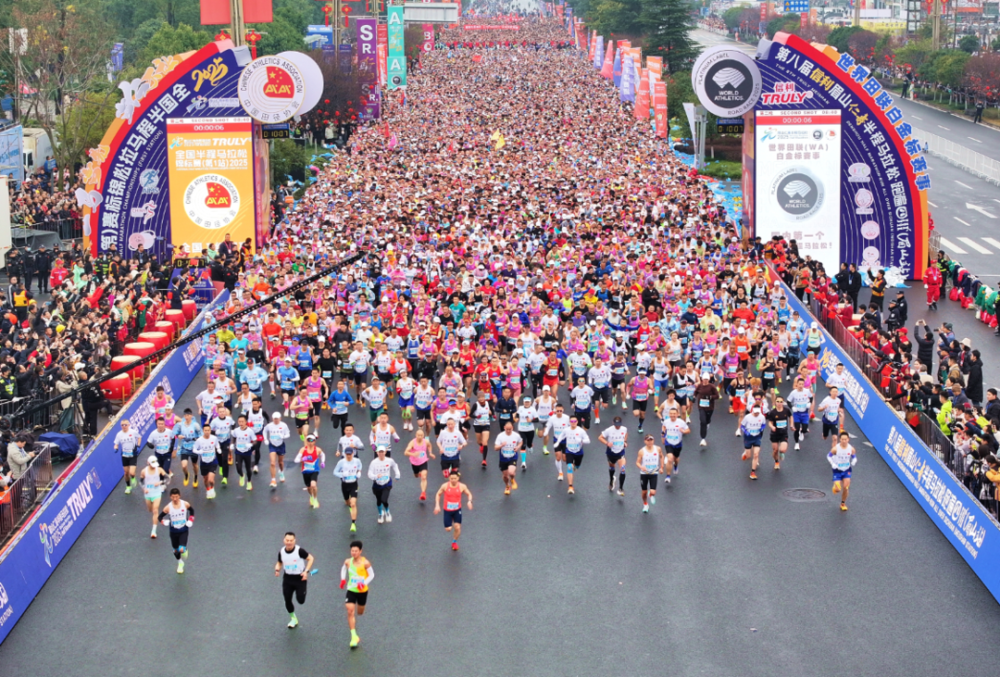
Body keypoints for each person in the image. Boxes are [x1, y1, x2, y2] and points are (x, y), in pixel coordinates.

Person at [275, 532, 314, 629]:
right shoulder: (282, 551)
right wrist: (277, 569)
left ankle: (301, 593)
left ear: (294, 541)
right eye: (287, 540)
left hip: (300, 578)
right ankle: (293, 619)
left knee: (301, 600)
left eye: (291, 540)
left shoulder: (299, 551)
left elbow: (311, 558)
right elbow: (279, 562)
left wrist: (306, 571)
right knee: (287, 599)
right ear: (284, 540)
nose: (289, 542)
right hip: (288, 578)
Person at [339, 540, 374, 648]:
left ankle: (360, 608)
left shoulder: (365, 563)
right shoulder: (348, 561)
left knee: (360, 612)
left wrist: (363, 583)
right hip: (351, 590)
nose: (353, 553)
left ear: (360, 551)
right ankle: (354, 636)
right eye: (352, 551)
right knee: (350, 610)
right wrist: (343, 580)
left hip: (362, 591)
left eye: (356, 551)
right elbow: (343, 569)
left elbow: (372, 575)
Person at [433, 471, 473, 551]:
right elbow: (438, 494)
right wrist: (437, 505)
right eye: (451, 478)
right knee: (448, 529)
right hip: (447, 510)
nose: (453, 480)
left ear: (458, 478)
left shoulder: (462, 486)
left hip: (457, 510)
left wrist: (469, 501)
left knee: (457, 527)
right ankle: (451, 529)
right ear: (449, 478)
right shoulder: (445, 486)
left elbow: (469, 494)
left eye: (455, 478)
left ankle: (454, 542)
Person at [158, 488, 194, 574]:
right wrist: (163, 522)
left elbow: (192, 511)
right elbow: (159, 517)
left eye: (176, 497)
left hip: (183, 529)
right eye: (173, 497)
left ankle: (184, 550)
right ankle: (180, 563)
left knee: (181, 549)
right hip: (173, 531)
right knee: (175, 550)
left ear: (179, 496)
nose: (175, 499)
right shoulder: (168, 507)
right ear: (170, 497)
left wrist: (190, 520)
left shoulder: (185, 504)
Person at [557, 416, 590, 495]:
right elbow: (561, 436)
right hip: (569, 451)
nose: (573, 422)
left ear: (577, 422)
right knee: (569, 467)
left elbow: (588, 440)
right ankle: (570, 487)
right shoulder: (566, 430)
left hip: (579, 452)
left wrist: (582, 441)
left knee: (576, 467)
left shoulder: (581, 431)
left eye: (575, 421)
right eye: (571, 421)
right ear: (569, 422)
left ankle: (576, 465)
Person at [368, 445, 400, 524]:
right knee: (379, 500)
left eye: (382, 452)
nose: (381, 453)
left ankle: (387, 512)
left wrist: (397, 475)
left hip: (387, 484)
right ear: (377, 452)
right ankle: (380, 514)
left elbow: (395, 466)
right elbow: (369, 473)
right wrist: (375, 476)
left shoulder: (389, 460)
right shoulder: (374, 462)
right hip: (377, 485)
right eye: (380, 452)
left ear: (385, 452)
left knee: (384, 499)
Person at [334, 446, 363, 532]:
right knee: (347, 502)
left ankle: (353, 523)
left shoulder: (357, 461)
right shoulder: (341, 462)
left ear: (353, 454)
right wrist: (342, 474)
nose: (349, 456)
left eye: (350, 454)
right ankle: (348, 503)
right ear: (345, 454)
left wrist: (359, 472)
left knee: (353, 503)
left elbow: (360, 466)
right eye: (347, 454)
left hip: (354, 484)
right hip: (345, 484)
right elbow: (335, 472)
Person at [294, 434, 326, 509]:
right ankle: (311, 496)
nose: (310, 442)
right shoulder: (303, 449)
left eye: (312, 440)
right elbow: (296, 460)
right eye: (308, 440)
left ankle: (315, 499)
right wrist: (302, 459)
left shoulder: (317, 449)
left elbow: (323, 455)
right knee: (309, 487)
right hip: (305, 471)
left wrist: (322, 462)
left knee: (313, 485)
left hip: (314, 470)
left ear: (314, 441)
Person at [599, 416, 629, 496]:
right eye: (616, 424)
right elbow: (600, 437)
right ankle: (612, 479)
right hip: (611, 452)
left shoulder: (624, 429)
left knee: (623, 470)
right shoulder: (609, 430)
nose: (617, 426)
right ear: (613, 423)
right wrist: (607, 443)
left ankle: (621, 489)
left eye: (619, 424)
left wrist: (625, 441)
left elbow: (626, 434)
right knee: (612, 467)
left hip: (620, 452)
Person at [828, 431, 857, 512]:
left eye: (845, 439)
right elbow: (828, 456)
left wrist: (854, 460)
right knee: (838, 490)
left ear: (848, 439)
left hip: (847, 469)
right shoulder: (835, 449)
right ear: (840, 440)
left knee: (846, 487)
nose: (844, 441)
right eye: (842, 439)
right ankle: (835, 487)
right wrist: (832, 463)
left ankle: (843, 503)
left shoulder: (851, 448)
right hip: (837, 470)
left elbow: (854, 456)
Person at [139, 456, 167, 538]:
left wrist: (160, 482)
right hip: (148, 494)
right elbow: (141, 482)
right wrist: (144, 488)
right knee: (150, 510)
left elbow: (167, 478)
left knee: (155, 510)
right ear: (148, 463)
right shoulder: (144, 471)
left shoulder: (159, 470)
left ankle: (153, 531)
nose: (154, 466)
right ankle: (155, 523)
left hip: (157, 492)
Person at [403, 428, 434, 501]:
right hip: (414, 463)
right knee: (416, 476)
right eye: (418, 435)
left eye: (421, 435)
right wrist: (413, 454)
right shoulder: (412, 443)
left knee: (424, 477)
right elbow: (405, 452)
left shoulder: (425, 441)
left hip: (423, 461)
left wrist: (430, 453)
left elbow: (429, 445)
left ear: (423, 436)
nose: (420, 437)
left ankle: (423, 493)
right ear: (415, 435)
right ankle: (418, 473)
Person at [636, 435, 664, 514]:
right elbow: (637, 462)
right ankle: (645, 504)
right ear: (645, 441)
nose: (650, 442)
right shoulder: (642, 451)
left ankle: (651, 494)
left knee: (653, 492)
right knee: (644, 492)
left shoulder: (658, 449)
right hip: (644, 474)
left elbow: (661, 457)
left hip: (654, 472)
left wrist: (662, 467)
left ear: (653, 440)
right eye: (648, 440)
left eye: (651, 440)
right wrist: (641, 467)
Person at [660, 407, 689, 484]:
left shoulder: (681, 422)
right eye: (671, 414)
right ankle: (668, 476)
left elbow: (688, 430)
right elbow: (663, 428)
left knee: (676, 459)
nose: (672, 415)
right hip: (668, 443)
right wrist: (663, 436)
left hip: (678, 444)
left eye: (674, 414)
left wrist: (683, 431)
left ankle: (676, 466)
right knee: (670, 459)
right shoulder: (666, 422)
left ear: (677, 414)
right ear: (669, 414)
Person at [193, 423, 221, 499]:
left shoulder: (214, 438)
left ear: (210, 430)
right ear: (203, 431)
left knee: (211, 479)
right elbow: (194, 449)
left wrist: (218, 449)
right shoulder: (199, 440)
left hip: (213, 461)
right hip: (204, 462)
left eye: (208, 430)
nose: (207, 432)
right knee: (205, 479)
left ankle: (212, 488)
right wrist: (199, 452)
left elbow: (217, 445)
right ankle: (208, 489)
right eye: (205, 430)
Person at [263, 411, 291, 489]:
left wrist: (283, 436)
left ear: (280, 418)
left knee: (280, 462)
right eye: (275, 419)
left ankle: (281, 472)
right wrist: (265, 439)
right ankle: (273, 479)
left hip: (281, 445)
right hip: (272, 445)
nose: (276, 420)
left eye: (277, 419)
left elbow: (288, 434)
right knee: (272, 463)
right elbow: (264, 431)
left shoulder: (284, 425)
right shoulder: (269, 426)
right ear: (272, 419)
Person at [740, 404, 768, 480]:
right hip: (748, 438)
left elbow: (764, 424)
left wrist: (761, 428)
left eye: (758, 412)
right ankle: (746, 453)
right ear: (752, 410)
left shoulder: (762, 417)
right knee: (749, 456)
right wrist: (746, 432)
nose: (756, 414)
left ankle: (752, 472)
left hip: (757, 437)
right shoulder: (747, 417)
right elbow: (742, 426)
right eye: (755, 412)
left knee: (756, 454)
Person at [113, 419, 141, 494]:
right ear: (121, 426)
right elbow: (116, 443)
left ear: (129, 425)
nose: (124, 426)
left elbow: (139, 437)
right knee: (126, 473)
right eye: (122, 425)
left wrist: (138, 445)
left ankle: (133, 478)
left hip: (132, 454)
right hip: (124, 455)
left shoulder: (133, 432)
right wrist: (115, 448)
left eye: (126, 425)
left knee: (131, 472)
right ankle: (128, 486)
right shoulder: (119, 434)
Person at [494, 420, 522, 496]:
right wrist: (501, 445)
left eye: (510, 429)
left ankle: (512, 479)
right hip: (503, 458)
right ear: (504, 428)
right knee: (505, 476)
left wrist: (518, 447)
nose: (509, 431)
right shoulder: (500, 436)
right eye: (507, 429)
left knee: (511, 472)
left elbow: (520, 442)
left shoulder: (516, 435)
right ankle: (507, 486)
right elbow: (495, 448)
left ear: (512, 428)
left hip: (513, 457)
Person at [231, 414, 256, 490]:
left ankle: (249, 482)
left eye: (242, 421)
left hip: (247, 452)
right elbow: (234, 437)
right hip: (238, 451)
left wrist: (251, 444)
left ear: (246, 422)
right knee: (238, 468)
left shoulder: (250, 431)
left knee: (248, 468)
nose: (241, 423)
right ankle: (242, 475)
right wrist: (232, 444)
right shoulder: (236, 430)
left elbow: (255, 441)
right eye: (239, 421)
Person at [766, 396, 791, 470]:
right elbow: (770, 423)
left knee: (782, 449)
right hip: (775, 434)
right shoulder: (772, 412)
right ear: (775, 402)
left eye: (781, 402)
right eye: (778, 401)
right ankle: (776, 462)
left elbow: (791, 416)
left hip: (783, 433)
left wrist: (792, 424)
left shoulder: (786, 410)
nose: (779, 403)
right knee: (775, 450)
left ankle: (781, 452)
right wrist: (772, 427)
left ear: (783, 403)